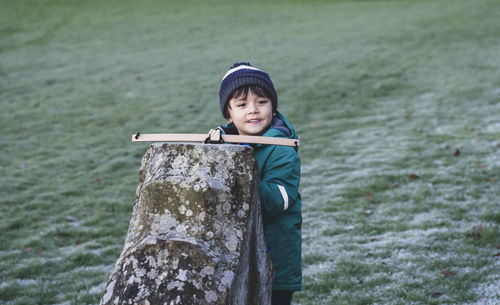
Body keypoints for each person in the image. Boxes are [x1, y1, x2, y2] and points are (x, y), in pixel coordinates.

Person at [217, 62, 302, 305]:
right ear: (229, 114)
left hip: (274, 261)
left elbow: (279, 200)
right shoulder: (223, 147)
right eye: (242, 105)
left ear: (273, 107)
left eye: (261, 102)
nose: (253, 110)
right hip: (235, 257)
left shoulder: (282, 148)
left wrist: (241, 174)